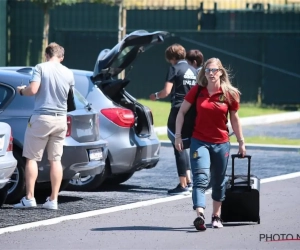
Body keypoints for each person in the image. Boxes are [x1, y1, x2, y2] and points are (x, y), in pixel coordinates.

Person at [174, 57, 246, 230]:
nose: (211, 73)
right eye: (208, 70)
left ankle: (216, 216)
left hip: (221, 143)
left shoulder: (230, 93)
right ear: (204, 73)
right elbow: (181, 112)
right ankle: (200, 214)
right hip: (199, 142)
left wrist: (241, 142)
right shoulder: (197, 91)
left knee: (219, 181)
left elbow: (235, 119)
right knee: (200, 178)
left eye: (214, 70)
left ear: (220, 72)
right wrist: (177, 135)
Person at [14, 42, 75, 210]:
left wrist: (21, 90)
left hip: (42, 117)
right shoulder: (69, 73)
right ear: (61, 57)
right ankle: (53, 200)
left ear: (46, 55)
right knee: (55, 159)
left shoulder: (40, 67)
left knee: (32, 158)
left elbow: (33, 90)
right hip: (61, 119)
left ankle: (30, 197)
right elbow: (70, 98)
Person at [149, 43, 197, 195]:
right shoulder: (194, 70)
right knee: (183, 144)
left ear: (172, 58)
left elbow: (166, 91)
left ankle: (182, 184)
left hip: (178, 110)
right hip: (193, 110)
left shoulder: (174, 69)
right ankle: (189, 181)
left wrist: (155, 95)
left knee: (178, 144)